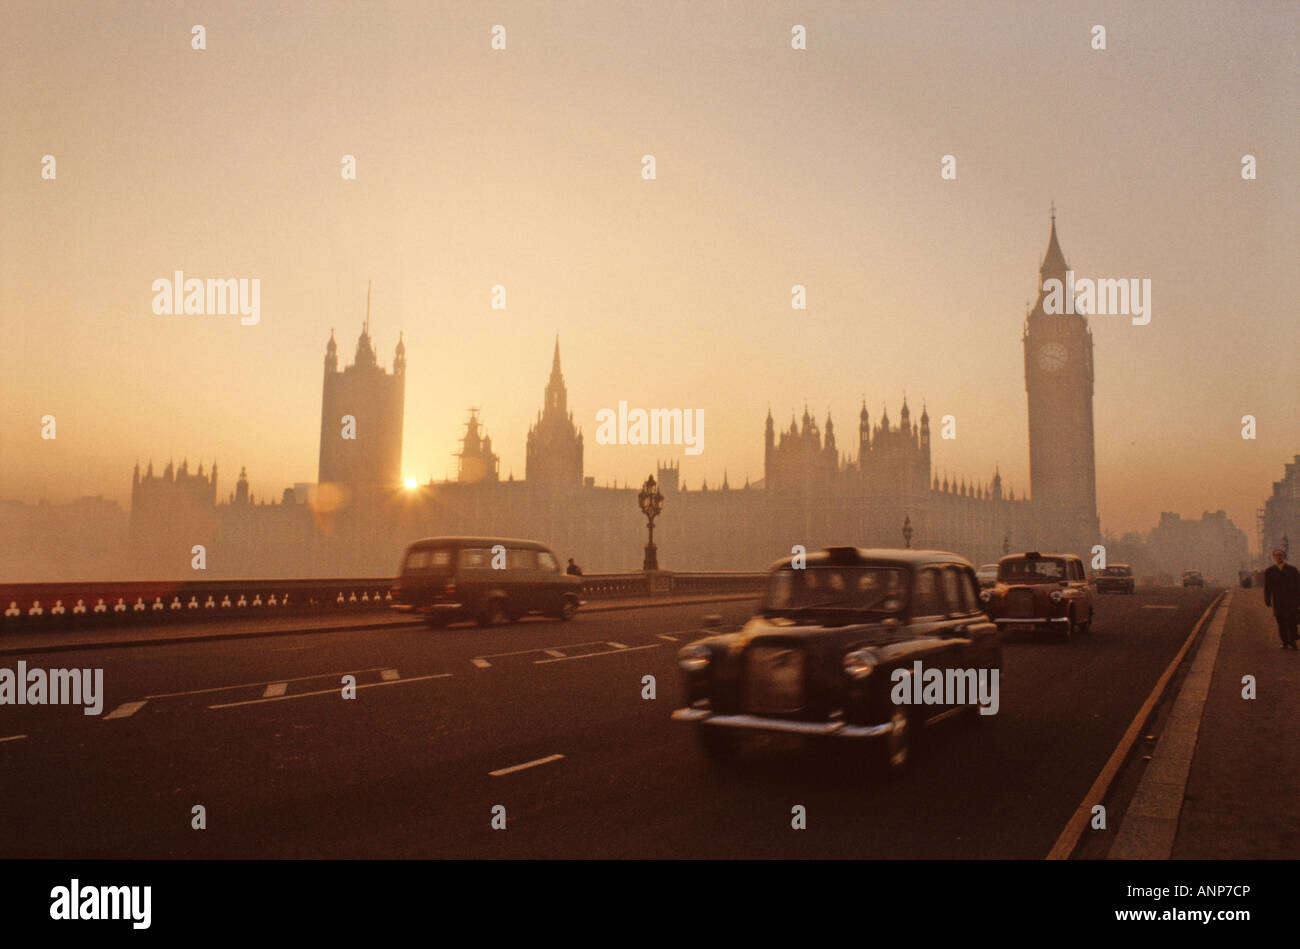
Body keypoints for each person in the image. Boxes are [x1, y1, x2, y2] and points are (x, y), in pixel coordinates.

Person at [1262, 548, 1300, 650]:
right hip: (1278, 601)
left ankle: (1293, 640)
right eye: (1277, 555)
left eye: (1281, 555)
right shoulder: (1269, 571)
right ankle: (1285, 642)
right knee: (1281, 622)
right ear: (1274, 557)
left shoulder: (1293, 570)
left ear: (1284, 557)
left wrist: (1298, 600)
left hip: (1291, 600)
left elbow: (1298, 586)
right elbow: (1267, 587)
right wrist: (1267, 600)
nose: (1279, 557)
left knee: (1292, 621)